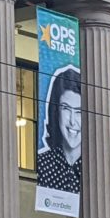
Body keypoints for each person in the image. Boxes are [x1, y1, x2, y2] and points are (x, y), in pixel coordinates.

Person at [36, 66, 82, 194]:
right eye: (66, 109)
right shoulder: (42, 164)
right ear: (56, 112)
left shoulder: (96, 170)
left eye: (79, 112)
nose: (73, 121)